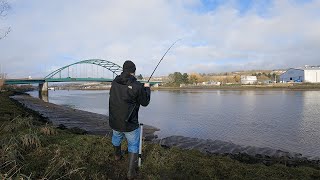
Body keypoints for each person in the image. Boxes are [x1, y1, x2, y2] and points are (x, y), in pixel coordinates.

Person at [109, 60, 151, 179]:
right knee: (133, 144)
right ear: (134, 71)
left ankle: (117, 156)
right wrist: (147, 89)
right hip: (130, 123)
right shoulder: (137, 86)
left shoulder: (114, 82)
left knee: (116, 137)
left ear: (123, 70)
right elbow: (145, 102)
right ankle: (130, 172)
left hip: (115, 120)